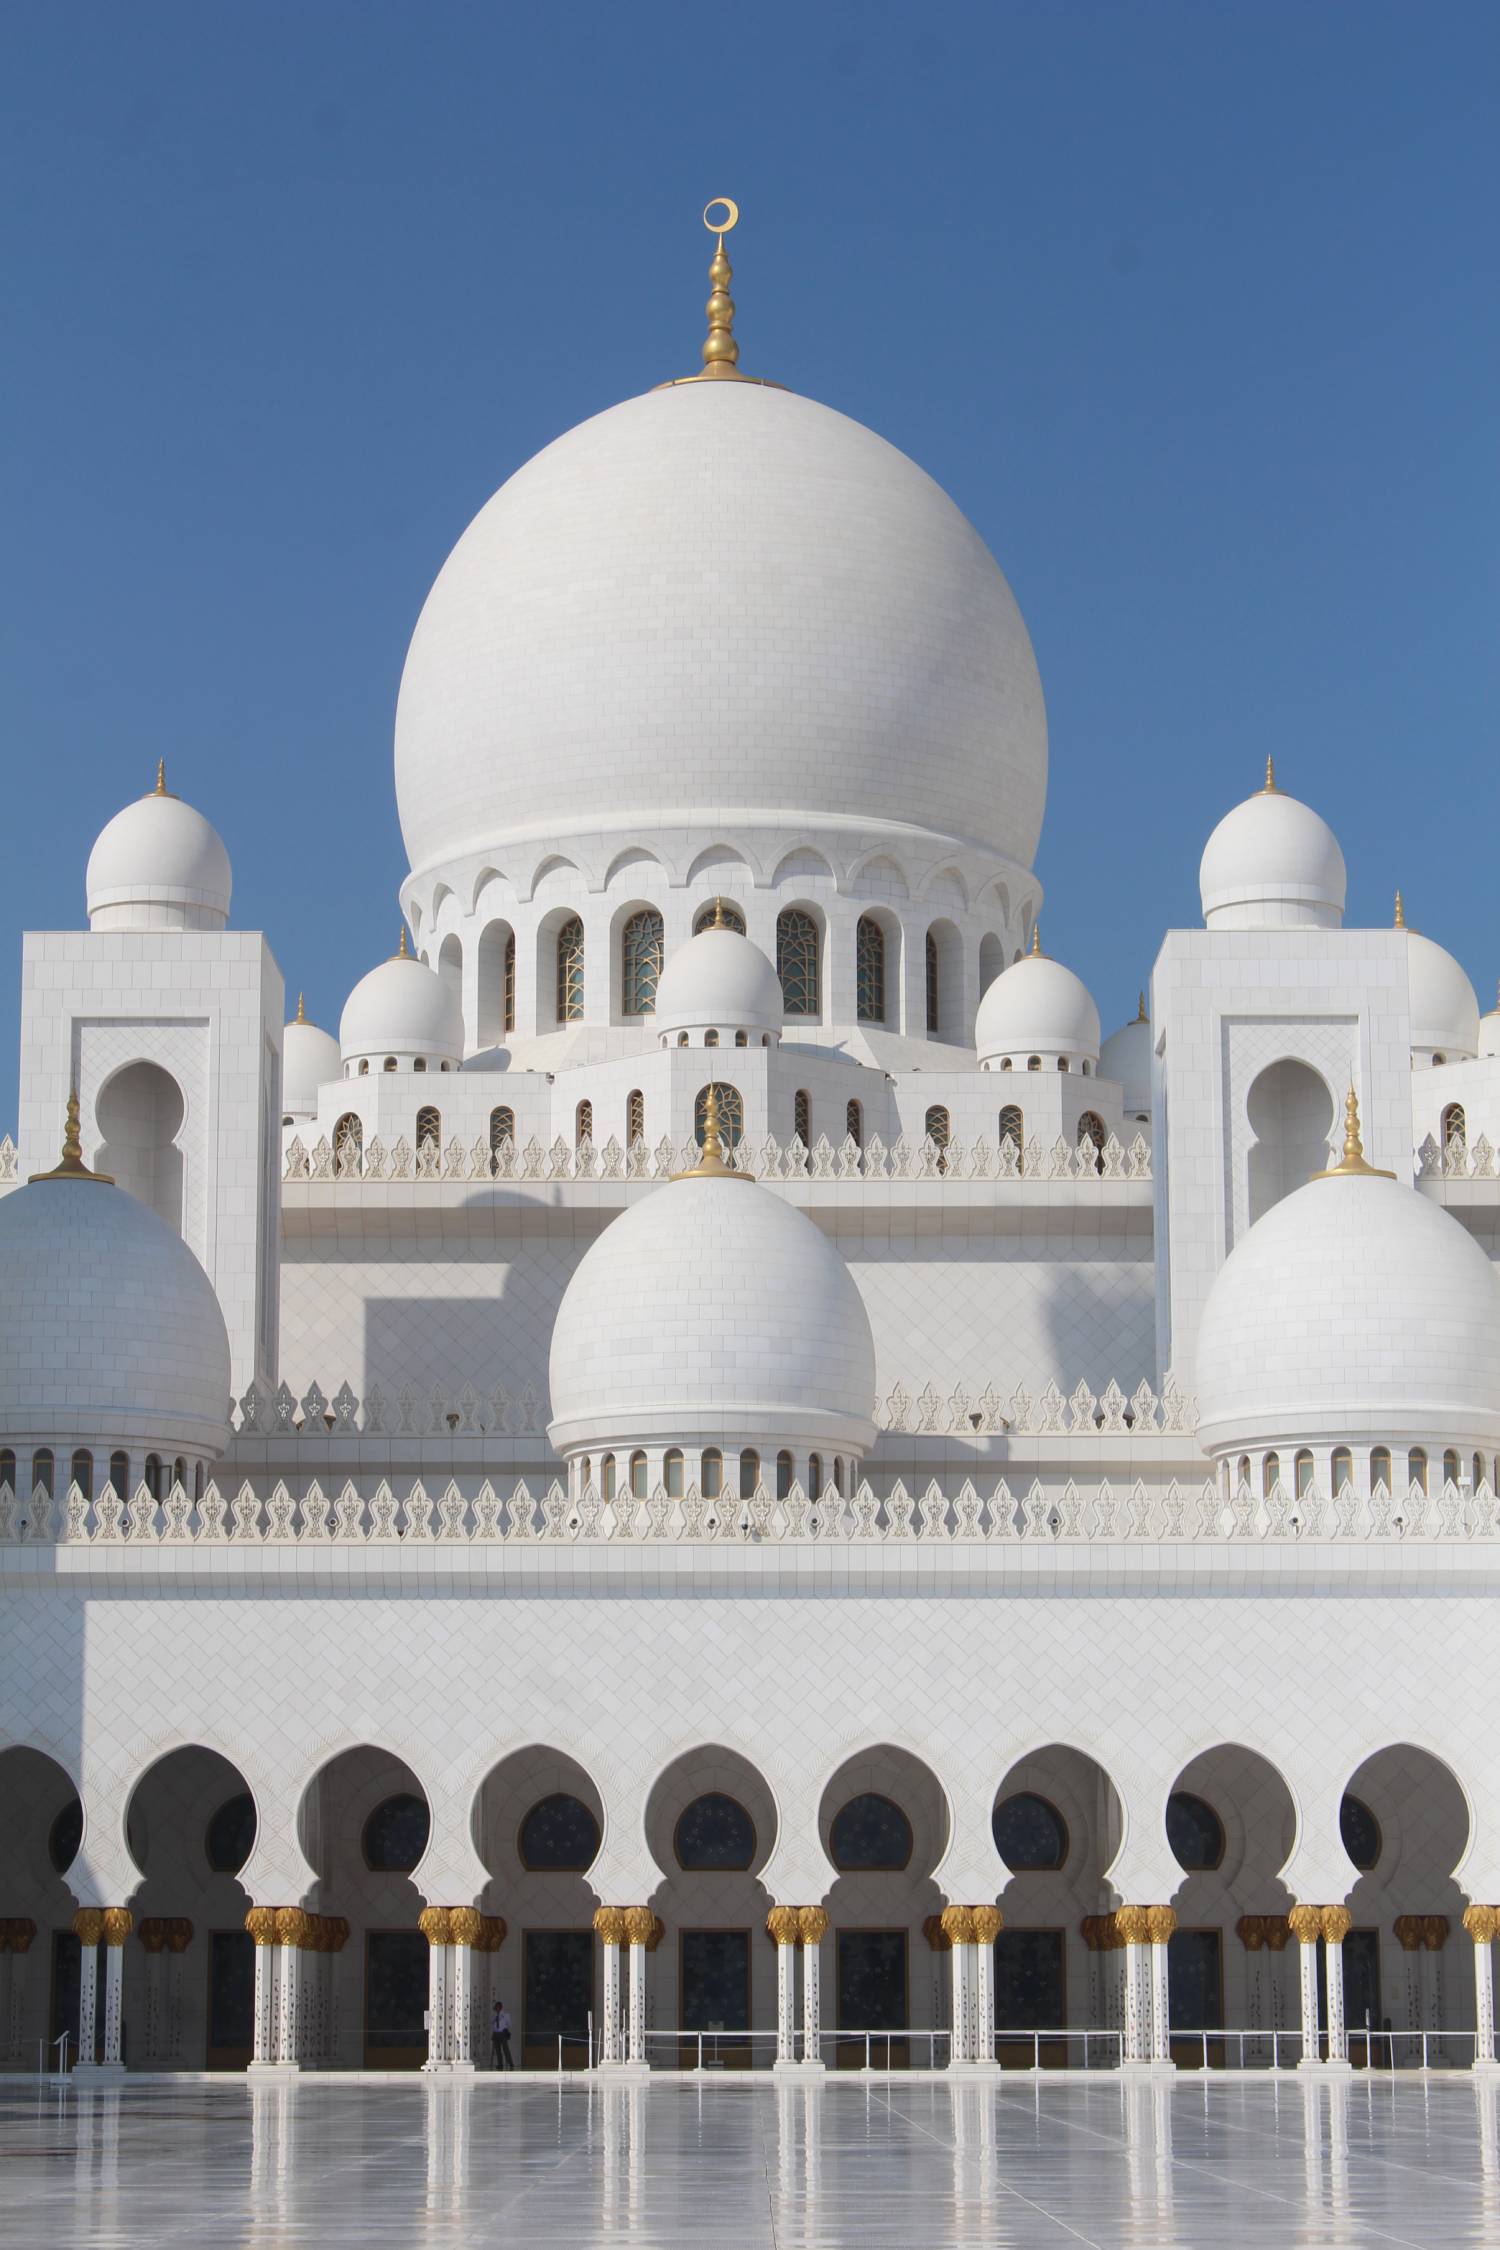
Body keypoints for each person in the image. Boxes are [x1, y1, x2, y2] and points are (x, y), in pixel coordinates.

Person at [492, 1998, 514, 2070]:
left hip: (502, 2033)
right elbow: (492, 2023)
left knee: (506, 2049)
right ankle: (500, 2064)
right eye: (496, 2007)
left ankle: (510, 2063)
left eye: (497, 2007)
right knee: (498, 2050)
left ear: (500, 2007)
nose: (496, 2008)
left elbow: (509, 2024)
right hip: (496, 2034)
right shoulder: (494, 2016)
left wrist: (505, 2024)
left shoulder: (505, 2015)